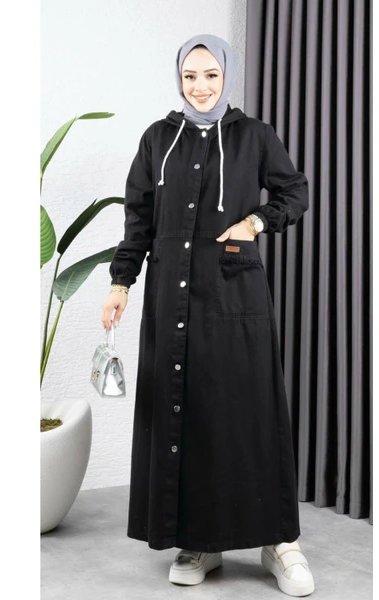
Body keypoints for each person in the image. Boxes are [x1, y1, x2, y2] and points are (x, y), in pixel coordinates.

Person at [102, 34, 314, 596]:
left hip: (234, 295)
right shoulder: (158, 138)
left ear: (227, 76)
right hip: (170, 299)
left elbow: (294, 192)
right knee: (186, 413)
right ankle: (199, 541)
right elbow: (139, 219)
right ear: (179, 78)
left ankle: (280, 542)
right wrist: (121, 282)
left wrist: (255, 222)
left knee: (249, 411)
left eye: (211, 75)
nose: (200, 87)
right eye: (190, 76)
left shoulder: (254, 135)